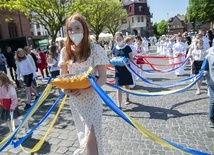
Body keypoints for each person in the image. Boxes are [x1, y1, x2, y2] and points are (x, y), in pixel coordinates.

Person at [58, 13, 108, 155]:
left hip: (92, 99)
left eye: (77, 28)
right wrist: (65, 90)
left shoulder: (95, 49)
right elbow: (63, 78)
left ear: (84, 29)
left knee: (92, 136)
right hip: (76, 102)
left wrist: (87, 90)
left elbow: (103, 78)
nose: (73, 32)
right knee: (84, 137)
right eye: (70, 29)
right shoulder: (65, 51)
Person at [112, 32, 134, 108]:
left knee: (126, 85)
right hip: (118, 70)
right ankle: (119, 105)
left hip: (126, 69)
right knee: (118, 87)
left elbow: (132, 58)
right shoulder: (115, 48)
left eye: (120, 39)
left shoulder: (127, 47)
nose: (119, 41)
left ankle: (127, 98)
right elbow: (113, 58)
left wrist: (126, 62)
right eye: (117, 39)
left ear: (123, 39)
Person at [202, 39, 214, 128]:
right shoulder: (209, 56)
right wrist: (204, 71)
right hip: (212, 81)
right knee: (213, 101)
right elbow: (203, 68)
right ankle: (211, 118)